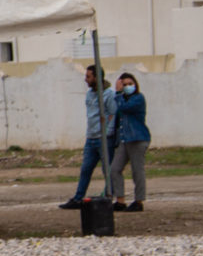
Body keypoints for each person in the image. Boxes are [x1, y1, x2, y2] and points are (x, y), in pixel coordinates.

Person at [59, 65, 117, 210]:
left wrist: (107, 133)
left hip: (103, 139)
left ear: (97, 77)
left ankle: (109, 197)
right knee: (85, 170)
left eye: (88, 76)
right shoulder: (90, 94)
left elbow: (113, 114)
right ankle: (78, 198)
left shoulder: (109, 94)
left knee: (107, 170)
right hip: (91, 138)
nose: (86, 79)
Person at [110, 72, 151, 212]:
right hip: (124, 139)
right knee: (115, 169)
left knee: (137, 171)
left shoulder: (138, 98)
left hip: (137, 138)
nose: (127, 87)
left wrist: (118, 93)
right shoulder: (121, 98)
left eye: (130, 84)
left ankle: (139, 201)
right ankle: (120, 200)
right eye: (125, 84)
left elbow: (124, 108)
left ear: (135, 85)